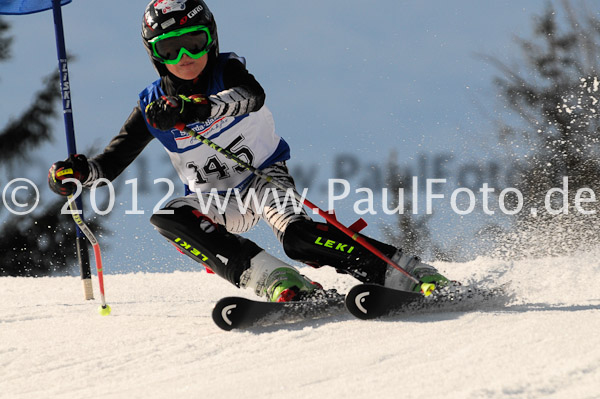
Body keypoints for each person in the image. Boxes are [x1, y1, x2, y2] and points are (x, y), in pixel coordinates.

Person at [48, 0, 448, 302]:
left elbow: (251, 97)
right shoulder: (152, 107)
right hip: (216, 200)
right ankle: (275, 279)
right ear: (155, 55)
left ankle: (407, 273)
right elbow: (110, 162)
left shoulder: (227, 72)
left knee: (300, 238)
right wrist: (77, 174)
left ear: (212, 40)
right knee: (167, 216)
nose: (185, 58)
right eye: (171, 50)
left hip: (263, 181)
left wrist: (197, 108)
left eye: (194, 43)